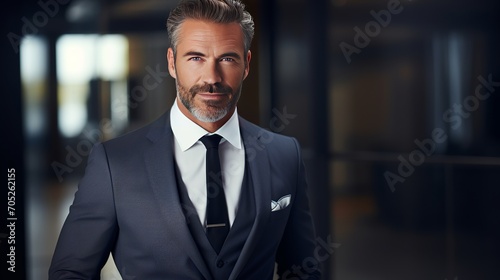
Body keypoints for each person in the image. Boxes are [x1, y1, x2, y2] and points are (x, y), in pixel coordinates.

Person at [49, 0, 321, 279]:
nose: (212, 78)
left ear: (246, 64)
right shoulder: (114, 162)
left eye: (227, 58)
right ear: (171, 63)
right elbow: (71, 272)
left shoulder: (284, 154)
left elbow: (303, 269)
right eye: (196, 58)